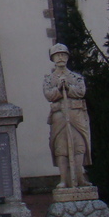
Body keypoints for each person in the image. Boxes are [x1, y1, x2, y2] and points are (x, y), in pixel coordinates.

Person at [43, 43, 92, 188]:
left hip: (75, 114)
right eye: (57, 55)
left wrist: (68, 87)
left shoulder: (76, 77)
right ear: (52, 58)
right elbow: (49, 95)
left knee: (79, 146)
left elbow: (81, 92)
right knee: (61, 148)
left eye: (63, 55)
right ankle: (64, 180)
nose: (60, 57)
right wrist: (58, 88)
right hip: (59, 116)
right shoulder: (49, 79)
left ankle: (80, 178)